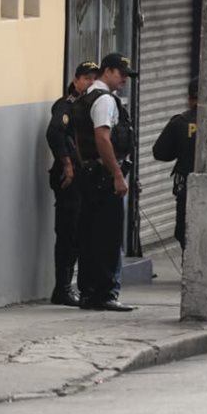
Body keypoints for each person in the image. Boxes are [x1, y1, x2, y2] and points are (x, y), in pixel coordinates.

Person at [73, 53, 138, 312]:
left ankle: (89, 292)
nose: (124, 80)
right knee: (107, 237)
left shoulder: (86, 97)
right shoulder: (104, 100)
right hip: (103, 176)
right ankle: (105, 293)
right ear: (108, 71)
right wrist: (117, 175)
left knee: (90, 235)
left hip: (90, 174)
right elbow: (102, 138)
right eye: (121, 74)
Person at [44, 61, 99, 306]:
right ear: (76, 80)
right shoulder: (66, 106)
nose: (90, 83)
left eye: (93, 78)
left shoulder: (90, 106)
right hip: (70, 178)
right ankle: (63, 288)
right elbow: (54, 132)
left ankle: (70, 286)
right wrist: (66, 164)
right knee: (68, 232)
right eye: (86, 78)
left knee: (79, 233)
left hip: (84, 176)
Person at [152, 78, 198, 249]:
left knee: (186, 233)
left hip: (187, 186)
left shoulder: (180, 122)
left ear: (190, 99)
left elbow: (160, 152)